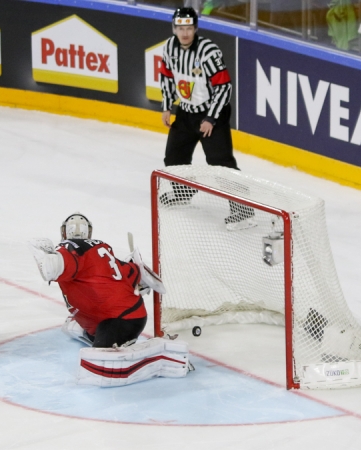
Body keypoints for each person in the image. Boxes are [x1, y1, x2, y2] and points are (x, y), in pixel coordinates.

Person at [28, 213, 191, 387]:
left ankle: (161, 355)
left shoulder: (70, 249)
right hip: (120, 316)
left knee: (99, 365)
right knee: (72, 328)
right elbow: (130, 270)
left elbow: (51, 269)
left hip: (120, 320)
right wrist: (139, 275)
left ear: (63, 231)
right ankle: (96, 334)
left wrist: (44, 254)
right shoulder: (101, 250)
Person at [158, 7, 254, 229]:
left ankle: (244, 211)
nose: (185, 33)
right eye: (180, 28)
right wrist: (167, 106)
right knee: (173, 157)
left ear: (195, 29)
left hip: (212, 114)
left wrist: (211, 117)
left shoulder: (207, 51)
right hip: (185, 112)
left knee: (221, 165)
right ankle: (184, 193)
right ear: (174, 28)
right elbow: (166, 76)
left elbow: (223, 86)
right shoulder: (169, 47)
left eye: (189, 28)